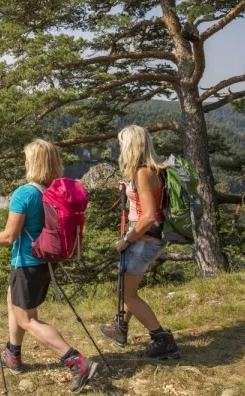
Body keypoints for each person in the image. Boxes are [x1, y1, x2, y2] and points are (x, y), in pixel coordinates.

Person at [0, 139, 98, 394]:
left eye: (27, 157)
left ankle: (76, 361)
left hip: (26, 265)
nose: (24, 161)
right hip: (44, 263)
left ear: (34, 162)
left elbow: (10, 236)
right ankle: (13, 354)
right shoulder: (54, 191)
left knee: (28, 319)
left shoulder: (25, 194)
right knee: (13, 300)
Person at [99, 125, 181, 359]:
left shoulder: (142, 173)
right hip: (151, 238)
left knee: (127, 293)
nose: (119, 147)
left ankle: (162, 339)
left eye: (121, 143)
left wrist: (126, 239)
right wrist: (128, 188)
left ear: (131, 145)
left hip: (143, 239)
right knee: (128, 289)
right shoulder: (155, 169)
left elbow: (148, 216)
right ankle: (120, 329)